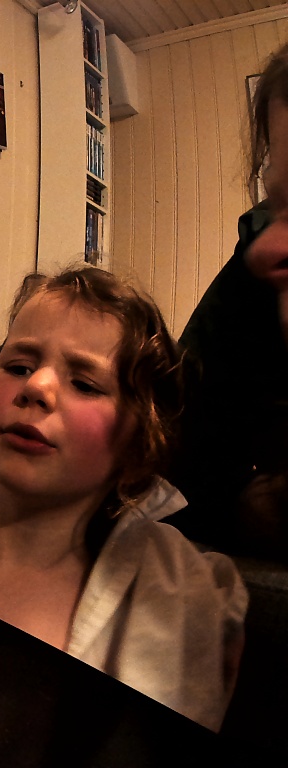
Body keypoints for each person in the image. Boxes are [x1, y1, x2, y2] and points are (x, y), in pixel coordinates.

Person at [0, 266, 248, 732]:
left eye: (84, 384)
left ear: (139, 444)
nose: (35, 387)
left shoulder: (174, 595)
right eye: (18, 367)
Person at [166, 41, 288, 560]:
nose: (266, 250)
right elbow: (175, 421)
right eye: (280, 206)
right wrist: (238, 502)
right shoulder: (248, 279)